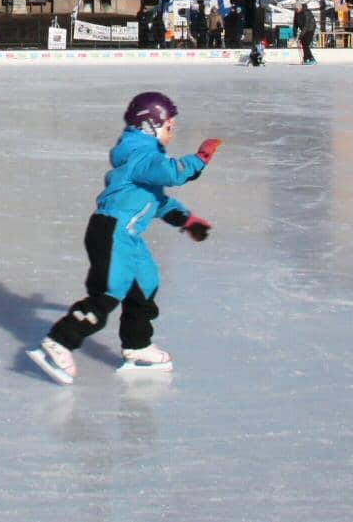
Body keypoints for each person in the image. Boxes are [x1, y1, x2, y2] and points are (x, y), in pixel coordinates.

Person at [28, 92, 221, 383]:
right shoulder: (142, 151)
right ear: (151, 124)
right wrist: (199, 159)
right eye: (170, 124)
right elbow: (171, 173)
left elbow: (157, 200)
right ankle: (59, 342)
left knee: (146, 281)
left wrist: (187, 220)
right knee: (109, 290)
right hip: (111, 230)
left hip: (127, 235)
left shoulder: (142, 155)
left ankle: (137, 344)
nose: (173, 130)